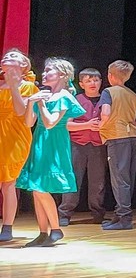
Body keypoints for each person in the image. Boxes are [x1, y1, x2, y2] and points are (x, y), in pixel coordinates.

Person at [18, 58, 86, 247]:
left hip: (54, 144)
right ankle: (42, 232)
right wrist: (32, 101)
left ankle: (55, 229)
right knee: (36, 189)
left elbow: (50, 123)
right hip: (40, 143)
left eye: (49, 71)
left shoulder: (63, 96)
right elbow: (29, 123)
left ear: (62, 75)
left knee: (40, 188)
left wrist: (39, 104)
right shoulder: (44, 95)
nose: (44, 73)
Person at [96, 60, 136, 231]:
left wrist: (100, 127)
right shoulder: (133, 95)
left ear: (110, 75)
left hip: (117, 137)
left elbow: (106, 112)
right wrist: (132, 123)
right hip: (133, 137)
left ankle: (125, 218)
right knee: (127, 179)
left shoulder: (108, 92)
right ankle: (119, 215)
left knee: (119, 179)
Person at [58, 68, 108, 226]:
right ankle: (64, 213)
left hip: (99, 144)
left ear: (101, 82)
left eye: (96, 80)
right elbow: (67, 124)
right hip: (77, 145)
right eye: (88, 81)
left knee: (98, 181)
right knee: (73, 179)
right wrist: (87, 125)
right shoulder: (76, 99)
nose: (93, 83)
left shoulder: (106, 99)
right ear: (81, 84)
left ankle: (98, 213)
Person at [0, 50, 38, 242]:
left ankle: (7, 227)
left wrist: (14, 86)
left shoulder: (29, 87)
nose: (7, 58)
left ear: (24, 66)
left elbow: (21, 111)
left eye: (13, 57)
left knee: (8, 183)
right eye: (6, 56)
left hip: (15, 137)